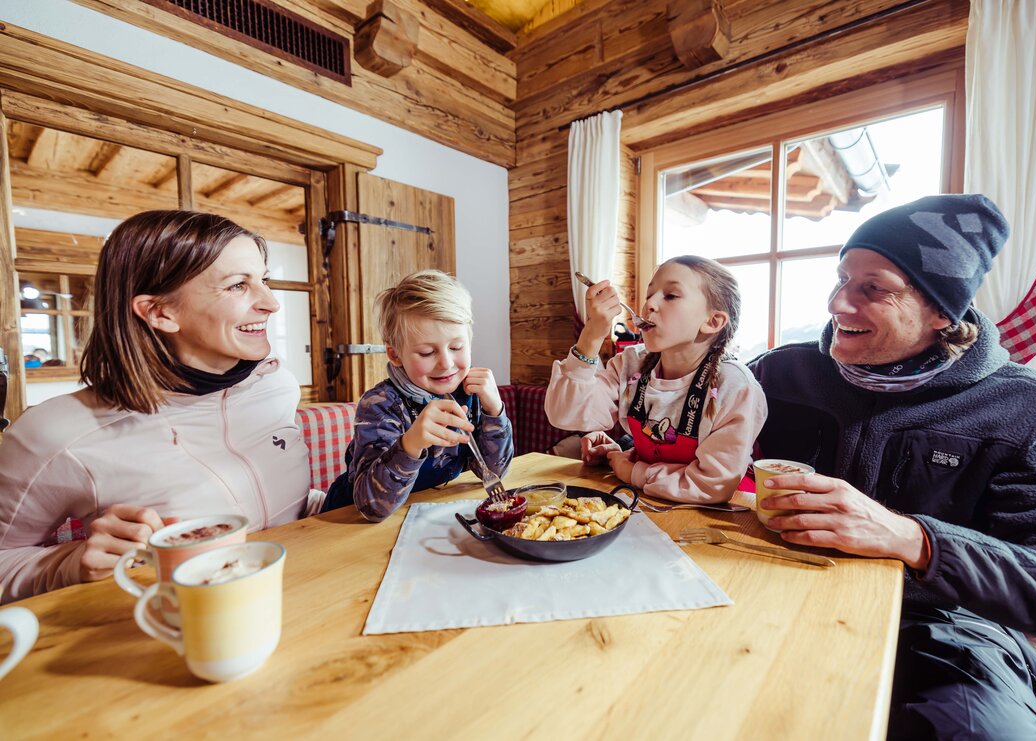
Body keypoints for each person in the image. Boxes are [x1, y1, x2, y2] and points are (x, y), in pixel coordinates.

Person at [747, 194, 1036, 737]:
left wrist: (915, 540)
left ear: (944, 310)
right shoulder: (780, 375)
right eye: (842, 278)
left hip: (948, 631)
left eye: (873, 288)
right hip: (764, 590)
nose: (838, 304)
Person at [0, 211, 312, 604]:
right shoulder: (56, 432)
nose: (270, 303)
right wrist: (66, 563)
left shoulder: (277, 386)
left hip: (308, 602)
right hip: (174, 633)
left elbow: (279, 511)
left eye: (263, 280)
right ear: (160, 312)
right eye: (238, 286)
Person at [545, 256, 767, 503]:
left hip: (720, 512)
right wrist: (592, 335)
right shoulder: (631, 364)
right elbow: (565, 414)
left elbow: (711, 485)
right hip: (648, 502)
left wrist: (632, 471)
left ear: (712, 321)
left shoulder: (734, 386)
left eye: (671, 296)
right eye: (649, 294)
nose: (649, 303)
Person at [323, 270, 513, 521]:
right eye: (426, 352)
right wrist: (411, 443)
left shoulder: (469, 393)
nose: (446, 363)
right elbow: (372, 507)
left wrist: (494, 412)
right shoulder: (381, 404)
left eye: (456, 347)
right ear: (395, 354)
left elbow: (492, 473)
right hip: (349, 522)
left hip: (420, 513)